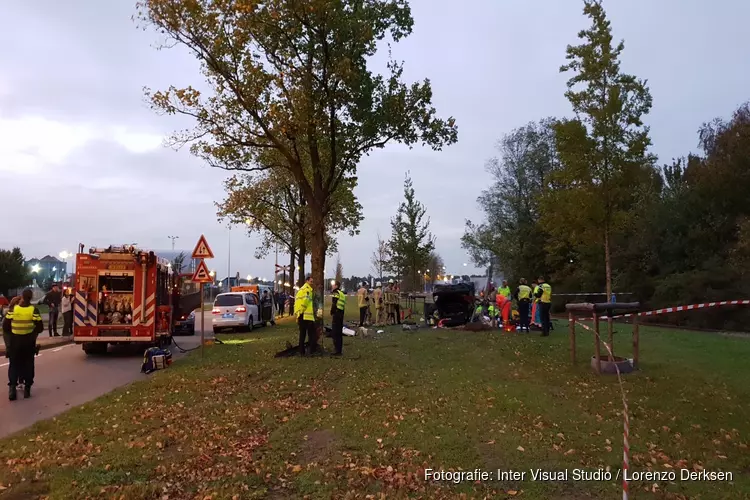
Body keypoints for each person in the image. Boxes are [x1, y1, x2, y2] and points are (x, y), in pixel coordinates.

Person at [3, 289, 44, 400]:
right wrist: (31, 331)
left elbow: (5, 326)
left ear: (22, 296)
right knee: (28, 365)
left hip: (15, 342)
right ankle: (27, 389)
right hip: (28, 342)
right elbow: (40, 327)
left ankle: (12, 389)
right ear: (31, 297)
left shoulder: (14, 310)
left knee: (14, 365)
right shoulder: (33, 310)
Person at [294, 275, 318, 356]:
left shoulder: (301, 290)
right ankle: (311, 351)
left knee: (302, 334)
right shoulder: (307, 290)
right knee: (312, 334)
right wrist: (301, 311)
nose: (312, 283)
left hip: (301, 315)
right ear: (306, 281)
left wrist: (298, 313)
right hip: (306, 316)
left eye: (312, 281)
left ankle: (302, 351)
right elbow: (305, 301)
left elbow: (297, 302)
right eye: (311, 281)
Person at [329, 281, 346, 356]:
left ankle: (336, 350)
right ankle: (339, 350)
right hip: (341, 314)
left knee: (335, 332)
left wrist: (332, 311)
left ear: (336, 286)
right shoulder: (342, 293)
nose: (332, 286)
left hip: (336, 314)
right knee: (339, 333)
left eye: (333, 285)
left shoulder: (335, 293)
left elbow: (334, 303)